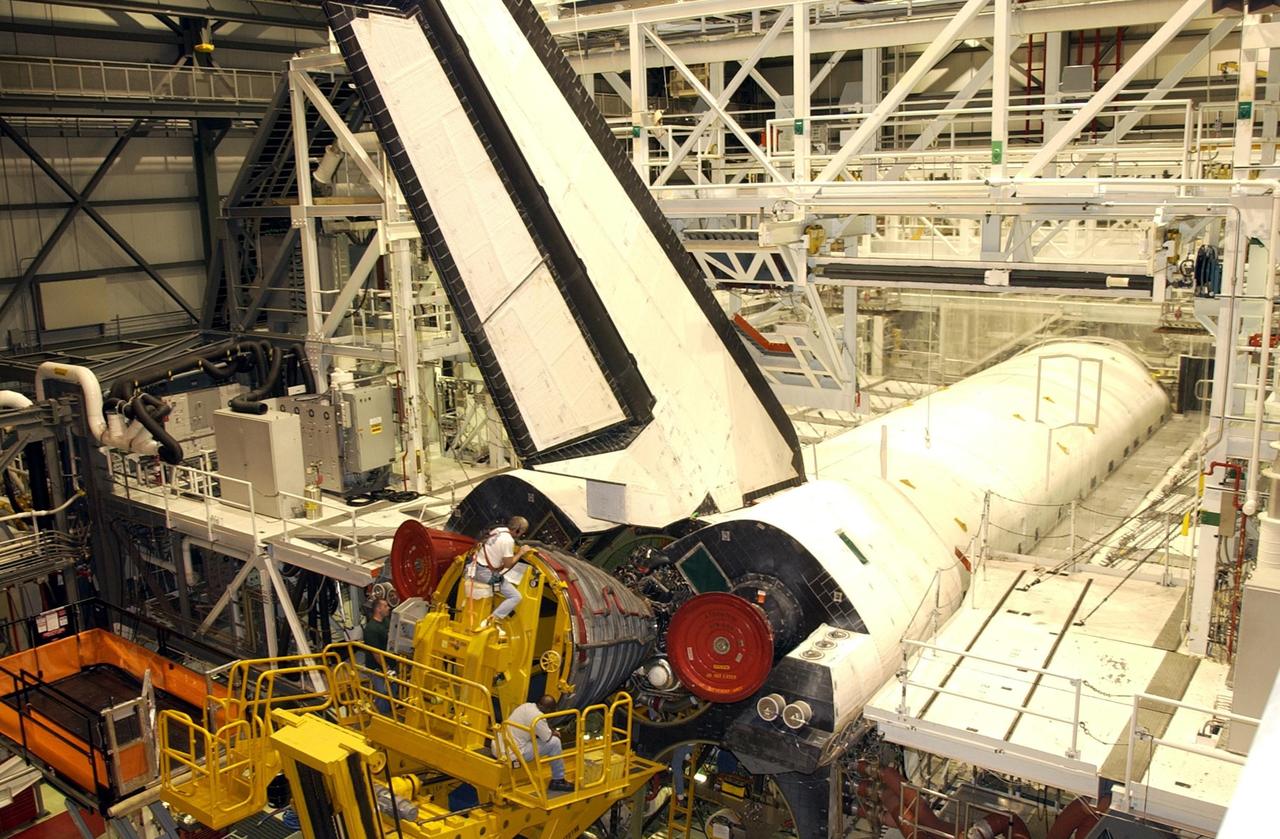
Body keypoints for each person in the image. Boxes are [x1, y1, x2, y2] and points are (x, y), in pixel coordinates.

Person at [496, 695, 573, 793]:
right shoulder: (538, 718)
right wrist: (553, 732)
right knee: (555, 742)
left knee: (527, 738)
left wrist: (548, 729)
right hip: (514, 754)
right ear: (548, 710)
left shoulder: (526, 706)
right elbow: (546, 737)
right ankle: (558, 780)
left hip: (499, 747)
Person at [470, 516, 529, 630]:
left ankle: (492, 610)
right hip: (485, 574)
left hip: (474, 568)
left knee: (497, 588)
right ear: (517, 530)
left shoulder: (497, 530)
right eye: (521, 532)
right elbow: (508, 564)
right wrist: (520, 553)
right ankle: (492, 619)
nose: (521, 535)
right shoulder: (508, 541)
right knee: (515, 596)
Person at [362, 597, 392, 715]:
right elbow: (376, 653)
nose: (388, 608)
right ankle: (382, 716)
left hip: (390, 664)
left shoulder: (386, 622)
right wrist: (386, 669)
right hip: (377, 667)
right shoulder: (371, 629)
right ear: (378, 609)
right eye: (385, 606)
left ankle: (391, 713)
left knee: (393, 691)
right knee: (383, 692)